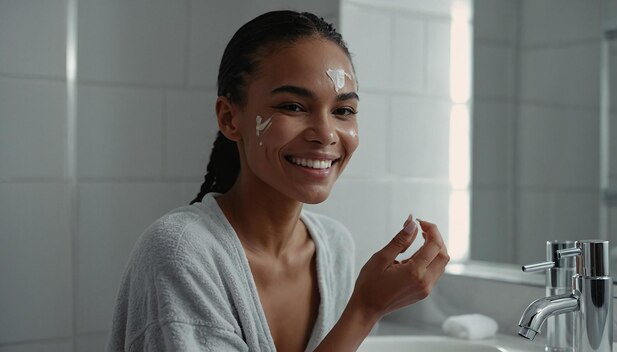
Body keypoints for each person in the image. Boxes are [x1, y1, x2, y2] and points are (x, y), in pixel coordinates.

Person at [107, 10, 449, 352]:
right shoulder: (181, 251)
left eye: (343, 111)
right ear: (230, 118)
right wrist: (365, 310)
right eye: (294, 106)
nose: (326, 134)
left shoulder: (335, 247)